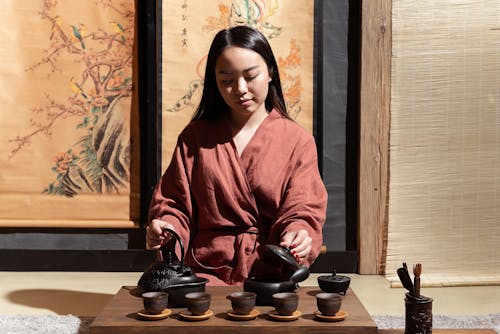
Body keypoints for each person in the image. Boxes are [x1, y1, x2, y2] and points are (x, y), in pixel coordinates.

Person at [146, 25, 327, 286]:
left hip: (269, 273)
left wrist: (298, 234)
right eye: (227, 80)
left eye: (250, 76)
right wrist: (168, 228)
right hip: (202, 272)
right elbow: (174, 202)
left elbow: (303, 207)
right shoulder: (195, 138)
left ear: (270, 73)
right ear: (214, 81)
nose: (240, 89)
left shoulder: (297, 140)